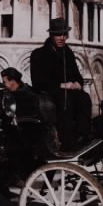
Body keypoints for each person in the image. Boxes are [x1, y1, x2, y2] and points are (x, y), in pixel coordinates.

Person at [30, 18, 92, 150]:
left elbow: (78, 76)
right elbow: (37, 82)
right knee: (65, 99)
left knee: (84, 97)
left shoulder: (68, 53)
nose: (62, 38)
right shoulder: (39, 54)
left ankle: (83, 135)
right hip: (50, 92)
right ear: (51, 35)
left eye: (64, 34)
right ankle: (67, 142)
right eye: (58, 34)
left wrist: (77, 84)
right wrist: (62, 85)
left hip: (70, 91)